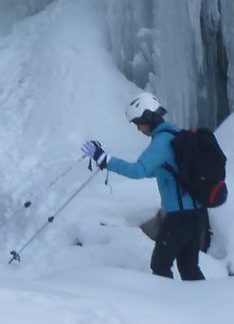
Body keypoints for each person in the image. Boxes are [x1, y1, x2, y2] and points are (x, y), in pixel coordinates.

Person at [82, 91, 206, 280]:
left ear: (149, 118)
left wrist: (104, 159)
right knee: (189, 267)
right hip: (197, 213)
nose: (138, 129)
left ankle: (163, 306)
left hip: (179, 217)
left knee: (160, 265)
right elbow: (156, 170)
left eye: (138, 123)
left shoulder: (161, 142)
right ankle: (203, 305)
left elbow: (137, 171)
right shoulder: (175, 133)